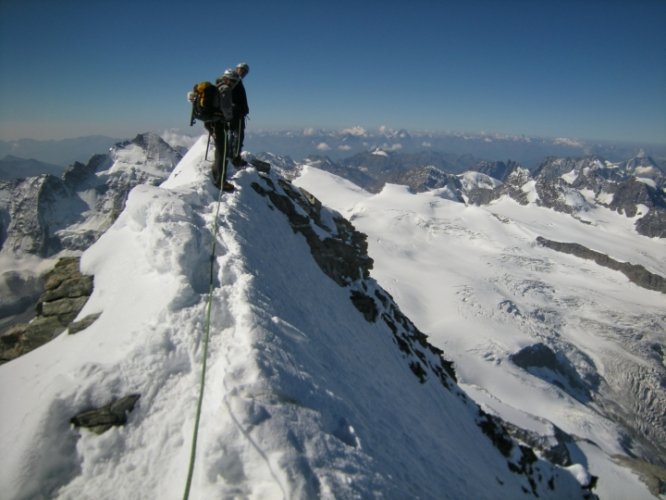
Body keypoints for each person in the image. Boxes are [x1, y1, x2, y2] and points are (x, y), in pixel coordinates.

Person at [209, 69, 240, 191]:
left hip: (212, 122)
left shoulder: (217, 87)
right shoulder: (225, 89)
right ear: (227, 79)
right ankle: (220, 181)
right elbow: (226, 108)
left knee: (220, 149)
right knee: (223, 151)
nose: (233, 83)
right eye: (233, 81)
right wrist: (230, 118)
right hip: (219, 123)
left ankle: (217, 173)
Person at [231, 63, 250, 167]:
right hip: (236, 114)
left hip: (230, 113)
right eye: (242, 70)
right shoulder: (235, 81)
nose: (243, 73)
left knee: (233, 135)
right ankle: (236, 158)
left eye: (245, 71)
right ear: (237, 69)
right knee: (239, 135)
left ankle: (232, 154)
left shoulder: (231, 81)